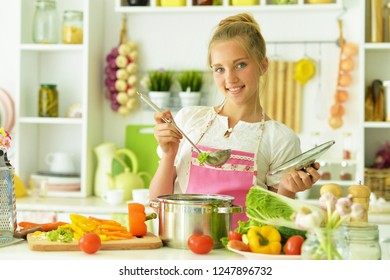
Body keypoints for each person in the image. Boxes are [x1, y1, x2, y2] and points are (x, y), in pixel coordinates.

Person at [149, 13, 321, 228]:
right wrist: (168, 154)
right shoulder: (189, 119)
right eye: (219, 69)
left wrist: (288, 188)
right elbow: (156, 205)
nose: (230, 78)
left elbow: (277, 228)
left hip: (243, 253)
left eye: (240, 65)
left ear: (263, 65)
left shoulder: (280, 139)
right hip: (184, 248)